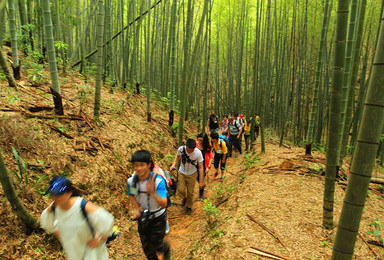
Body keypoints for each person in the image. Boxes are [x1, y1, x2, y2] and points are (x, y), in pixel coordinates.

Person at [40, 176, 114, 260]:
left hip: (93, 254)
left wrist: (101, 239)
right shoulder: (53, 208)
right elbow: (45, 221)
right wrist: (60, 235)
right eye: (53, 195)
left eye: (58, 195)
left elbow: (107, 220)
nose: (55, 198)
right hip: (74, 254)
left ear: (69, 193)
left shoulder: (82, 206)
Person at [127, 150, 171, 260]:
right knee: (147, 249)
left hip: (158, 218)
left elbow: (164, 204)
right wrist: (137, 208)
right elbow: (132, 195)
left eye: (142, 165)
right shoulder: (132, 181)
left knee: (157, 245)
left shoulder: (158, 181)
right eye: (136, 165)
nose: (139, 168)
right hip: (143, 218)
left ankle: (166, 249)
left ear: (149, 165)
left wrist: (153, 193)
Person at [170, 138, 204, 215]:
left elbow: (201, 167)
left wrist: (201, 181)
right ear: (186, 146)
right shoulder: (181, 149)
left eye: (191, 150)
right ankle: (185, 198)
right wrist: (173, 164)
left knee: (190, 192)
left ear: (194, 148)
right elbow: (177, 156)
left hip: (192, 173)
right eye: (188, 149)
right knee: (180, 190)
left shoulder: (198, 153)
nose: (189, 151)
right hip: (182, 172)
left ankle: (189, 206)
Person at [196, 132, 213, 199]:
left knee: (201, 180)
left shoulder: (207, 147)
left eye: (201, 140)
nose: (199, 141)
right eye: (199, 140)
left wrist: (208, 167)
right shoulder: (196, 144)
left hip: (203, 165)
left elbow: (211, 157)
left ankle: (201, 194)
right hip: (195, 164)